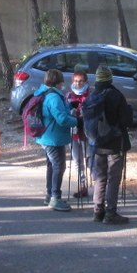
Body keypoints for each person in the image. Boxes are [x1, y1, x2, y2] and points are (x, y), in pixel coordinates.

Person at [83, 65, 132, 225]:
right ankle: (111, 213)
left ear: (97, 78)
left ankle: (98, 211)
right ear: (110, 78)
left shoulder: (91, 96)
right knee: (113, 178)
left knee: (100, 178)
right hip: (114, 143)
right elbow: (126, 120)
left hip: (96, 144)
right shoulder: (116, 95)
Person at [33, 68, 78, 212]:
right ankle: (55, 197)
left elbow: (57, 111)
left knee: (52, 166)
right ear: (58, 82)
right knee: (59, 166)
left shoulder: (45, 92)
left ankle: (50, 194)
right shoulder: (53, 97)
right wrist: (77, 121)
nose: (63, 85)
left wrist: (71, 105)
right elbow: (62, 119)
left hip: (46, 136)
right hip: (53, 138)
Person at [65, 65, 91, 199]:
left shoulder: (90, 95)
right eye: (75, 81)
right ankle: (82, 186)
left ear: (85, 82)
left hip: (87, 132)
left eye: (80, 81)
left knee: (90, 159)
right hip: (73, 132)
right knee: (77, 161)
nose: (78, 83)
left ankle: (98, 185)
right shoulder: (69, 95)